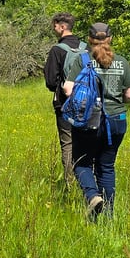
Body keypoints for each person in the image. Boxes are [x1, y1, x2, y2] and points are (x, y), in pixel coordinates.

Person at [63, 22, 130, 220]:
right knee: (106, 166)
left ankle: (93, 196)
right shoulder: (121, 61)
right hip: (117, 121)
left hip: (89, 121)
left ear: (89, 39)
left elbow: (68, 89)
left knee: (81, 163)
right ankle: (108, 215)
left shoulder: (83, 60)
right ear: (110, 39)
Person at [44, 12, 86, 181]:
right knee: (85, 143)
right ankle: (87, 181)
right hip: (88, 104)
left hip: (65, 105)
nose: (54, 29)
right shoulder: (86, 48)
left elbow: (50, 82)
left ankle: (70, 183)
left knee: (67, 144)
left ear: (62, 27)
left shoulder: (57, 50)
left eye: (54, 26)